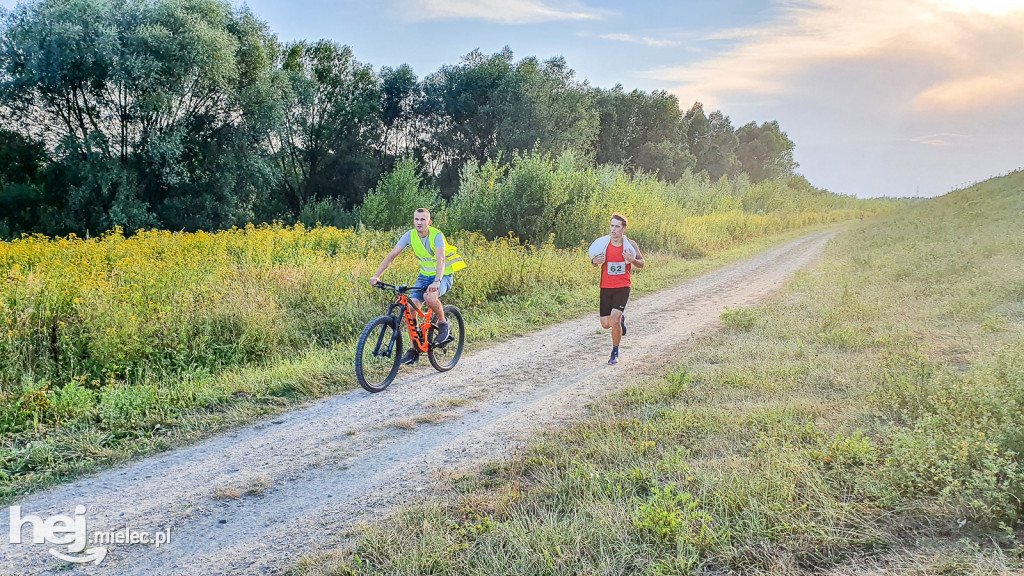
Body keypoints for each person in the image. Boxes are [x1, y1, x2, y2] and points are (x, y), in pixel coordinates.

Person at [370, 208, 466, 365]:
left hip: (444, 274)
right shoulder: (410, 235)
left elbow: (441, 260)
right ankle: (414, 349)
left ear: (429, 222)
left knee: (430, 297)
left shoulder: (437, 235)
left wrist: (437, 282)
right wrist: (377, 275)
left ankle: (443, 323)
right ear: (413, 220)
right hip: (424, 275)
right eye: (416, 219)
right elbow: (391, 256)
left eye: (423, 220)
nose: (419, 223)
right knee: (411, 307)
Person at [588, 213, 644, 365]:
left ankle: (615, 352)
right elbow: (594, 262)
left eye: (617, 226)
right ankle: (620, 320)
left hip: (623, 287)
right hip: (606, 287)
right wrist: (594, 261)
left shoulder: (630, 245)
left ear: (624, 229)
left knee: (614, 319)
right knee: (606, 324)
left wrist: (632, 260)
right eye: (612, 226)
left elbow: (642, 263)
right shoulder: (604, 244)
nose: (613, 229)